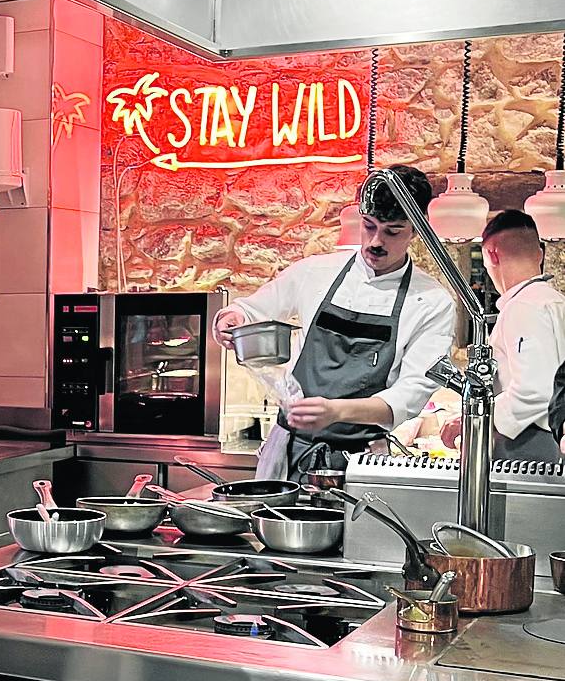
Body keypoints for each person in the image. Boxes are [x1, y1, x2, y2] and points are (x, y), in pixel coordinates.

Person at [213, 165, 456, 480]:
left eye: (392, 231)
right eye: (368, 226)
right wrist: (232, 318)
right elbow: (254, 309)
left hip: (361, 463)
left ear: (417, 229)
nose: (375, 242)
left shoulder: (432, 302)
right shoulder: (315, 272)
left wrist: (336, 411)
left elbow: (409, 396)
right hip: (289, 451)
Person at [439, 210, 565, 461]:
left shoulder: (524, 308)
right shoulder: (555, 301)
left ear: (492, 255)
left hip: (533, 448)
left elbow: (534, 391)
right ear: (539, 253)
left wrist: (475, 419)